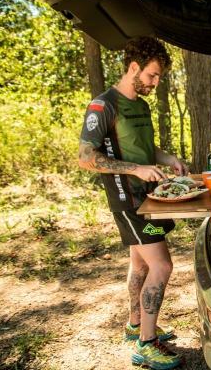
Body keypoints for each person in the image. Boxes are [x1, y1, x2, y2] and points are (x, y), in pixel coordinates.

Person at [78, 37, 187, 369]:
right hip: (128, 202)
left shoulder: (141, 104)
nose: (155, 83)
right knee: (162, 266)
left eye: (158, 78)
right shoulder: (103, 105)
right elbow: (86, 157)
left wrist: (170, 159)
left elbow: (143, 148)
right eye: (152, 76)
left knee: (140, 265)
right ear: (134, 67)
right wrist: (135, 170)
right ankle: (146, 345)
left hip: (150, 199)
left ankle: (136, 324)